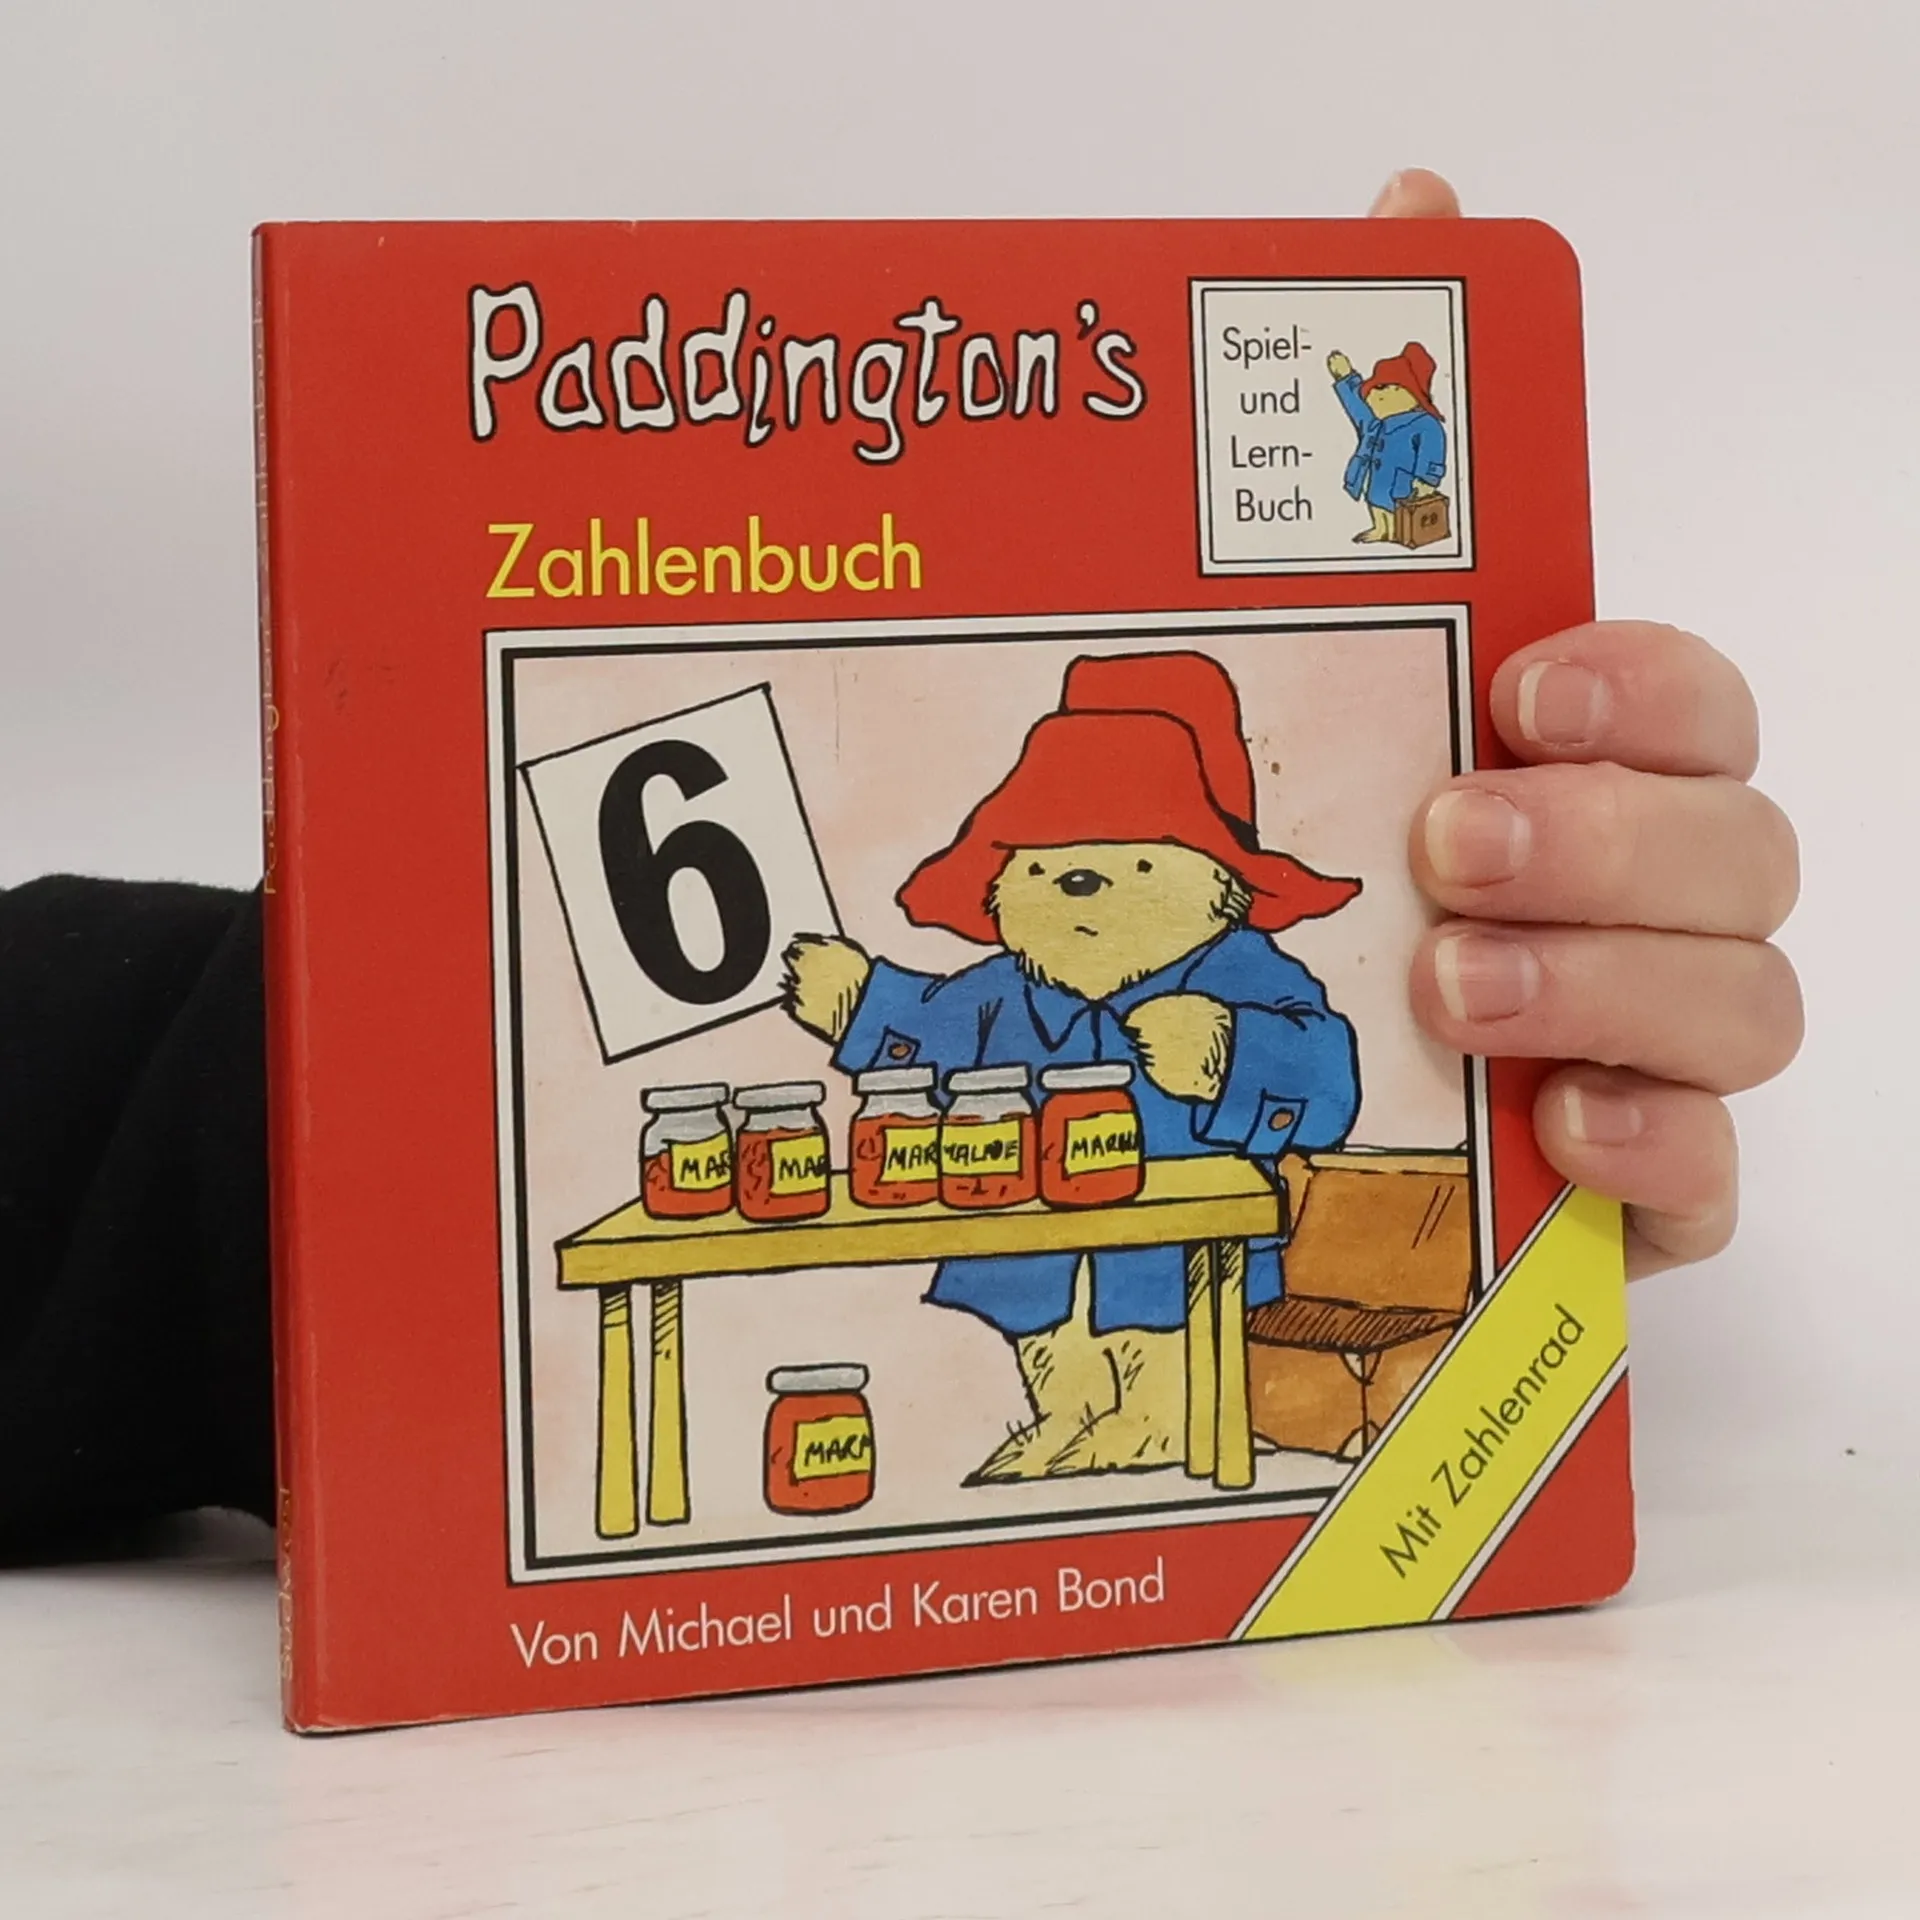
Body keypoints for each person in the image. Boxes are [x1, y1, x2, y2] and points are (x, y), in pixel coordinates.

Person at [0, 169, 1803, 1553]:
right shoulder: (1004, 990)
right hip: (1030, 1198)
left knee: (1164, 1296)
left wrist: (1349, 1074)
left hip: (1187, 1226)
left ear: (1217, 889)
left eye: (1123, 867)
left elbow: (1320, 1069)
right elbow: (936, 1025)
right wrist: (862, 999)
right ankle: (1070, 1409)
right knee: (1025, 1291)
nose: (1076, 900)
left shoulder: (1244, 975)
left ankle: (1146, 1423)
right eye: (1046, 871)